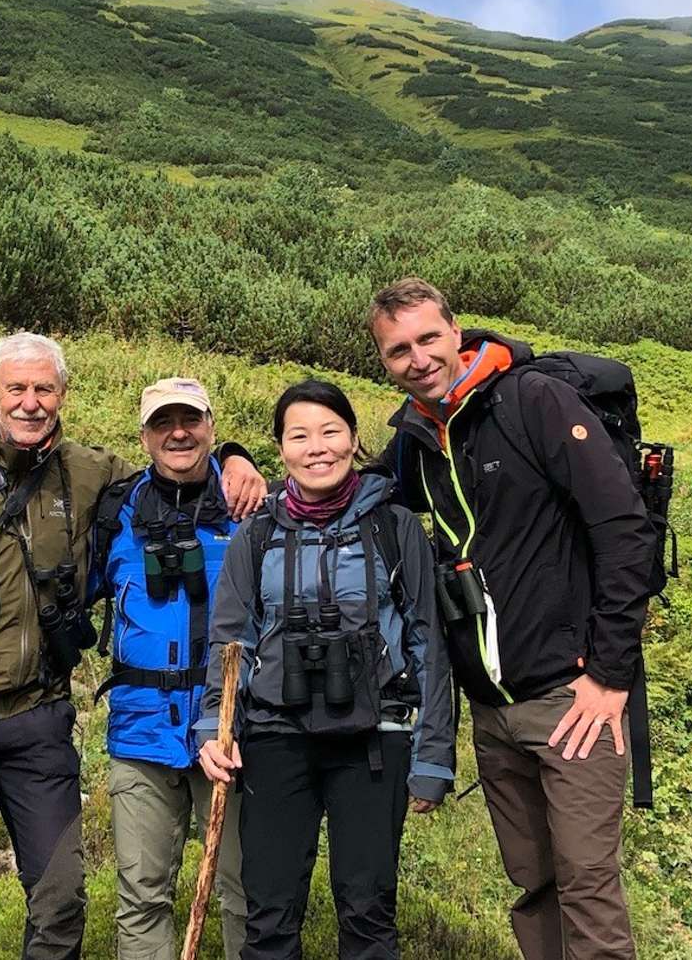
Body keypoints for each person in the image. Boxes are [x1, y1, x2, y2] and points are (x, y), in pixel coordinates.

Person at [0, 334, 266, 960]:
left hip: (37, 717)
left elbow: (177, 466)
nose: (31, 403)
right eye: (17, 389)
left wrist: (236, 456)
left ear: (62, 395)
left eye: (44, 389)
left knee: (60, 898)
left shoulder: (88, 473)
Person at [366, 278, 658, 960]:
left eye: (428, 339)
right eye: (398, 350)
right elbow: (354, 489)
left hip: (572, 697)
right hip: (492, 710)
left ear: (456, 330)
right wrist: (237, 462)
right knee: (533, 882)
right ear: (384, 361)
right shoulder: (417, 437)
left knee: (587, 881)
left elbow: (625, 532)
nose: (418, 359)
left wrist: (611, 674)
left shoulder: (533, 401)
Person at [197, 379, 454, 960]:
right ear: (281, 449)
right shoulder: (257, 533)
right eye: (299, 435)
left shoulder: (393, 526)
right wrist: (214, 729)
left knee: (368, 912)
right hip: (274, 736)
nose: (317, 447)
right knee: (269, 912)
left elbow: (428, 645)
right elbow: (229, 641)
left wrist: (434, 756)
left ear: (354, 438)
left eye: (330, 431)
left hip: (375, 737)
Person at [87, 378, 250, 960]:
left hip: (231, 734)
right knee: (141, 896)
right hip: (140, 732)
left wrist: (240, 458)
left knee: (245, 892)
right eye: (163, 423)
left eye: (190, 420)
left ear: (211, 426)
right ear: (144, 436)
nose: (178, 432)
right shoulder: (115, 511)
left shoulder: (249, 505)